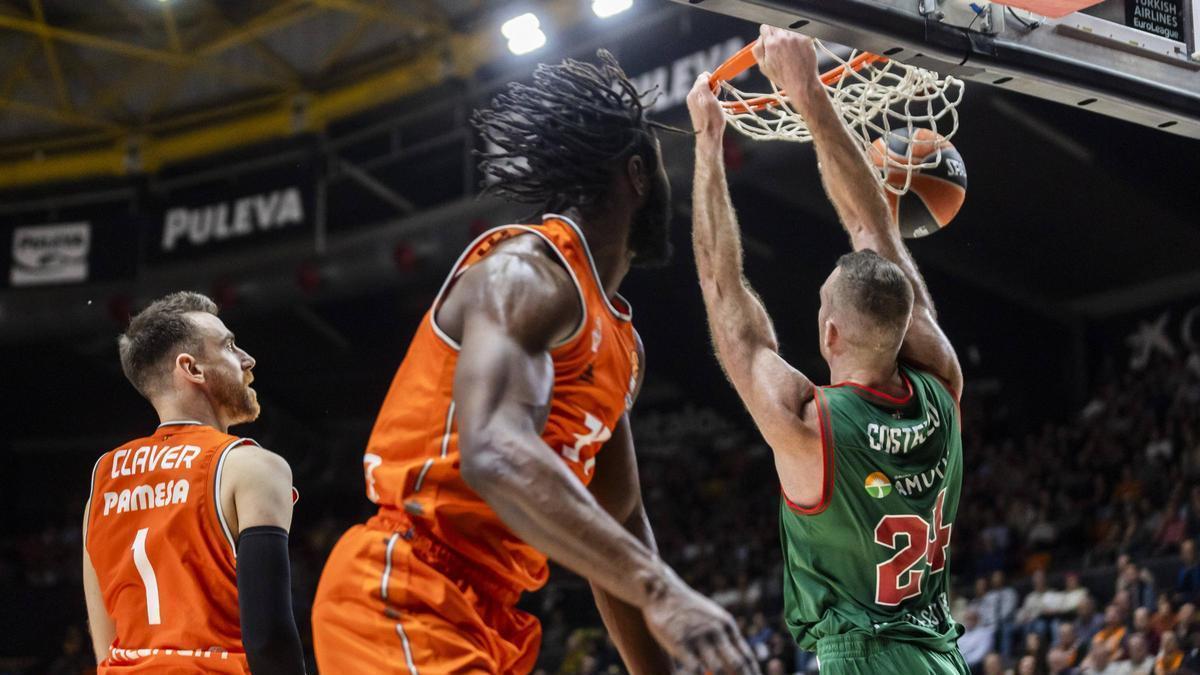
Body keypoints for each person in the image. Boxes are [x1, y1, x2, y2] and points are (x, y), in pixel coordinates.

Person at [311, 50, 758, 674]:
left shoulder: (621, 343)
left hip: (492, 612)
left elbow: (621, 518)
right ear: (635, 175)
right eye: (657, 165)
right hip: (405, 587)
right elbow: (493, 450)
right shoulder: (525, 275)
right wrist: (662, 590)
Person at [686, 25, 966, 674]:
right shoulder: (942, 385)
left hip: (863, 660)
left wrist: (707, 141)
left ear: (829, 334)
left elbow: (724, 297)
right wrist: (808, 93)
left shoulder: (811, 426)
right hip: (938, 654)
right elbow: (875, 230)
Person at [82, 292, 304, 674]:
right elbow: (269, 638)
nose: (248, 360)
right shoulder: (249, 466)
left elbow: (105, 642)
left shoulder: (103, 479)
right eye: (230, 346)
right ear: (193, 369)